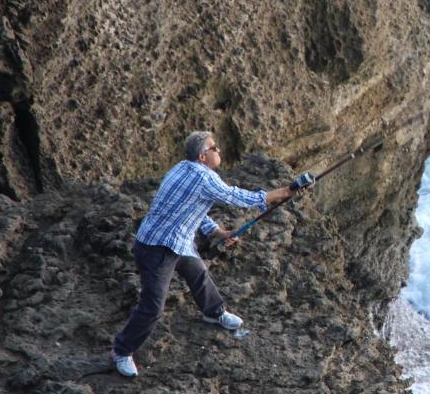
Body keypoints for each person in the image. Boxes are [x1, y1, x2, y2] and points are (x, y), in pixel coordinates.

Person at [110, 131, 308, 377]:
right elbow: (237, 197)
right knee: (152, 307)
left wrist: (218, 232)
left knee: (198, 273)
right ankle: (121, 350)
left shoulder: (182, 168)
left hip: (175, 241)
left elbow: (192, 207)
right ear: (203, 156)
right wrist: (285, 191)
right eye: (215, 148)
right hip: (158, 248)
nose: (219, 151)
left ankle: (214, 313)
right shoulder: (205, 178)